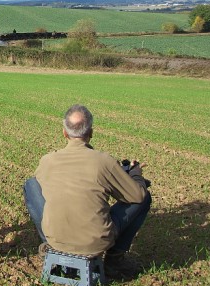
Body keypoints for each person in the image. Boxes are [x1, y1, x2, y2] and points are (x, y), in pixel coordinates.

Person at [23, 104, 151, 275]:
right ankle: (115, 259)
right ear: (91, 132)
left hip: (56, 240)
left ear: (64, 132)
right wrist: (136, 175)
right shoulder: (104, 161)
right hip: (96, 243)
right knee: (144, 197)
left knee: (31, 184)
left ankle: (49, 244)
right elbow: (137, 195)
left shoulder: (48, 161)